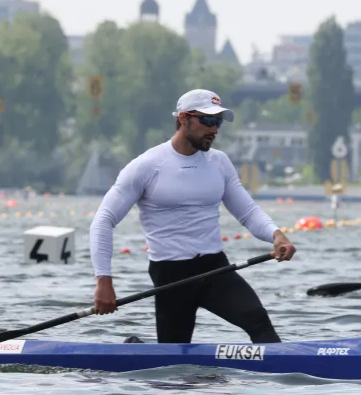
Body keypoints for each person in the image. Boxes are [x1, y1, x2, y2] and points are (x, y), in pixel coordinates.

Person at [89, 88, 297, 344]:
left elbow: (248, 211)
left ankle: (283, 374)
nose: (214, 129)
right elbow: (103, 220)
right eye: (207, 120)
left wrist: (277, 236)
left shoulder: (219, 163)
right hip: (171, 276)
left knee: (259, 322)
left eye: (218, 121)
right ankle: (134, 348)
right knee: (173, 364)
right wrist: (104, 281)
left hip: (215, 269)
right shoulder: (147, 165)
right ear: (184, 119)